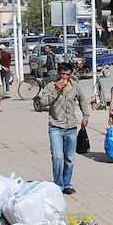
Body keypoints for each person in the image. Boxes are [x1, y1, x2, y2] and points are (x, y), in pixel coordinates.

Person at [40, 62, 90, 195]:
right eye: (62, 74)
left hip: (71, 127)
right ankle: (58, 185)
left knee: (69, 158)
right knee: (57, 157)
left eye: (67, 74)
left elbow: (83, 102)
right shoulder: (51, 86)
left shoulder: (75, 87)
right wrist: (56, 90)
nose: (65, 77)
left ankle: (66, 183)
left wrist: (86, 117)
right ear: (58, 74)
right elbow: (42, 103)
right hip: (55, 126)